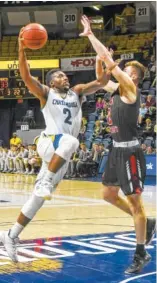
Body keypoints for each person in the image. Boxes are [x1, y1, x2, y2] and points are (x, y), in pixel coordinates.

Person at [0, 27, 110, 263]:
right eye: (60, 76)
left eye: (65, 75)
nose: (65, 77)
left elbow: (102, 81)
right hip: (49, 143)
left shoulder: (77, 92)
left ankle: (11, 235)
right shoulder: (46, 93)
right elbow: (26, 76)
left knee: (37, 200)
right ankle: (46, 181)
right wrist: (21, 48)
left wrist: (102, 61)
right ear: (51, 81)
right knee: (71, 140)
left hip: (62, 155)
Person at [79, 15, 156, 274]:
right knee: (108, 194)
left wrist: (91, 35)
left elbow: (111, 66)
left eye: (130, 72)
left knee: (136, 205)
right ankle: (148, 223)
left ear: (134, 78)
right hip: (116, 150)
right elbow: (102, 79)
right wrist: (102, 63)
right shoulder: (118, 90)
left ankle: (140, 253)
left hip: (131, 152)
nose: (126, 74)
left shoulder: (131, 92)